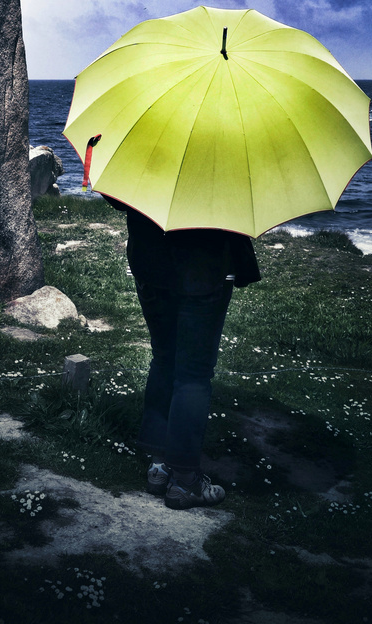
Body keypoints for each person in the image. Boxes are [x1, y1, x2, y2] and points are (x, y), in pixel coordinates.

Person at [103, 198, 261, 509]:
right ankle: (186, 481)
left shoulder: (146, 148)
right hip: (206, 267)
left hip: (151, 261)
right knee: (193, 375)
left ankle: (160, 467)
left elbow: (117, 198)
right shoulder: (228, 151)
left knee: (164, 359)